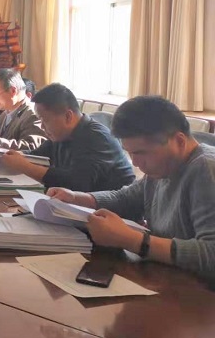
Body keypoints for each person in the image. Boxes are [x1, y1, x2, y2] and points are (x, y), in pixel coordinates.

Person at [48, 96, 215, 283]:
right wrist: (76, 198)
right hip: (167, 277)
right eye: (130, 153)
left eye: (140, 153)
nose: (135, 162)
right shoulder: (163, 167)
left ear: (179, 141)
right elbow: (126, 198)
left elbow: (211, 253)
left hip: (199, 294)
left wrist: (132, 240)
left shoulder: (207, 169)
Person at [0, 83, 134, 191]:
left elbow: (77, 183)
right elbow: (36, 156)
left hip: (112, 211)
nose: (41, 126)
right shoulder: (60, 135)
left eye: (45, 120)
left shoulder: (97, 138)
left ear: (68, 116)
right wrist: (11, 155)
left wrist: (25, 167)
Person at [0, 68, 46, 151]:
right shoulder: (6, 112)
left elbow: (30, 147)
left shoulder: (34, 114)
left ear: (13, 91)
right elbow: (6, 135)